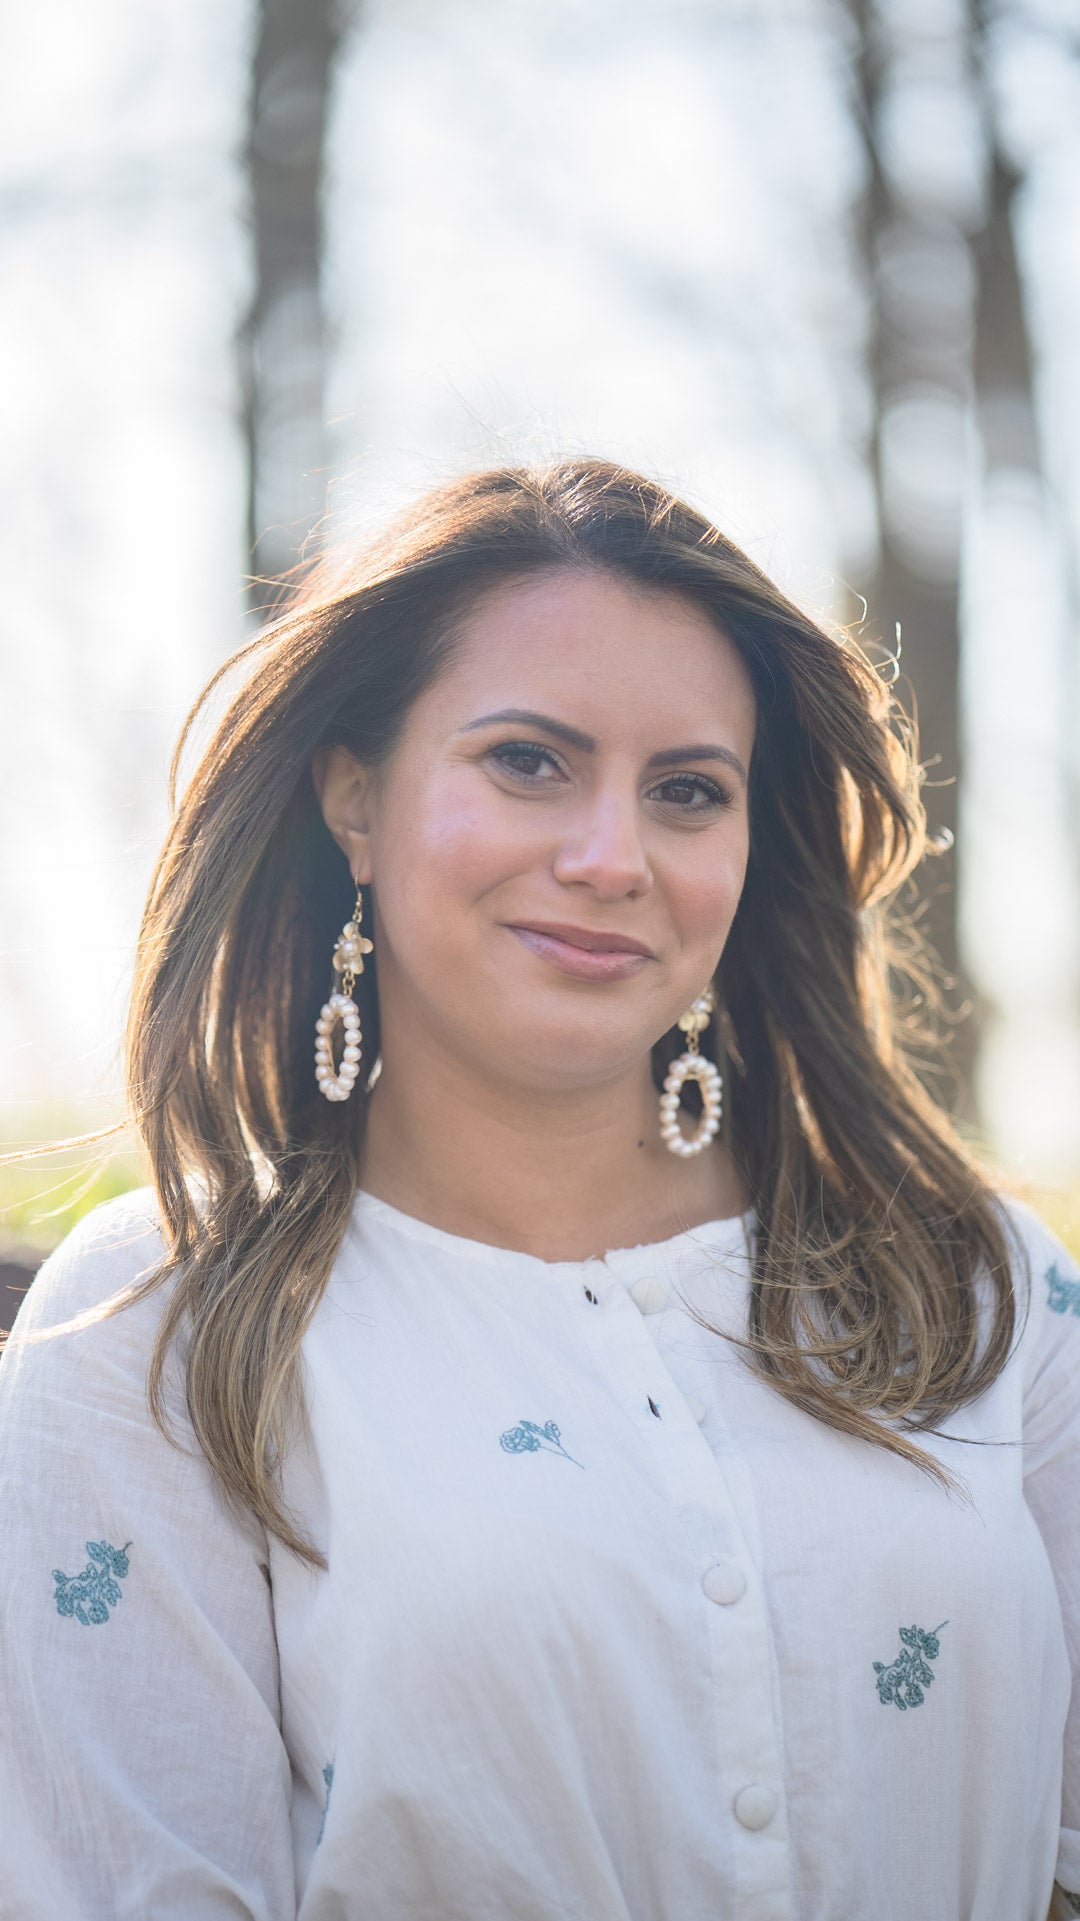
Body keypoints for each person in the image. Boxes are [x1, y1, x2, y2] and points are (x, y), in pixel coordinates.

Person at [0, 457, 1076, 1921]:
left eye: (687, 791)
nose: (612, 857)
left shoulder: (980, 1284)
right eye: (528, 762)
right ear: (355, 800)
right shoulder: (152, 1339)